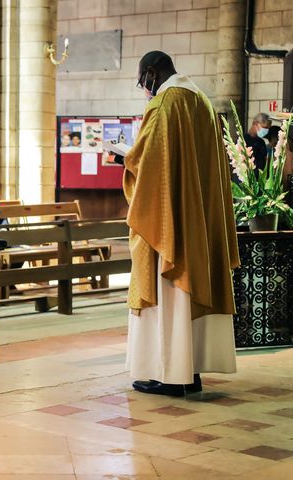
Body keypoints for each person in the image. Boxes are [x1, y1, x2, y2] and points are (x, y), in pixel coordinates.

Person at [124, 51, 239, 396]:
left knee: (169, 292)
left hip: (170, 220)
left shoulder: (164, 103)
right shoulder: (201, 101)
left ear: (152, 72)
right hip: (199, 221)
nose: (144, 87)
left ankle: (172, 375)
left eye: (143, 80)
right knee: (189, 294)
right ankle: (190, 369)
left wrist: (124, 159)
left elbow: (149, 162)